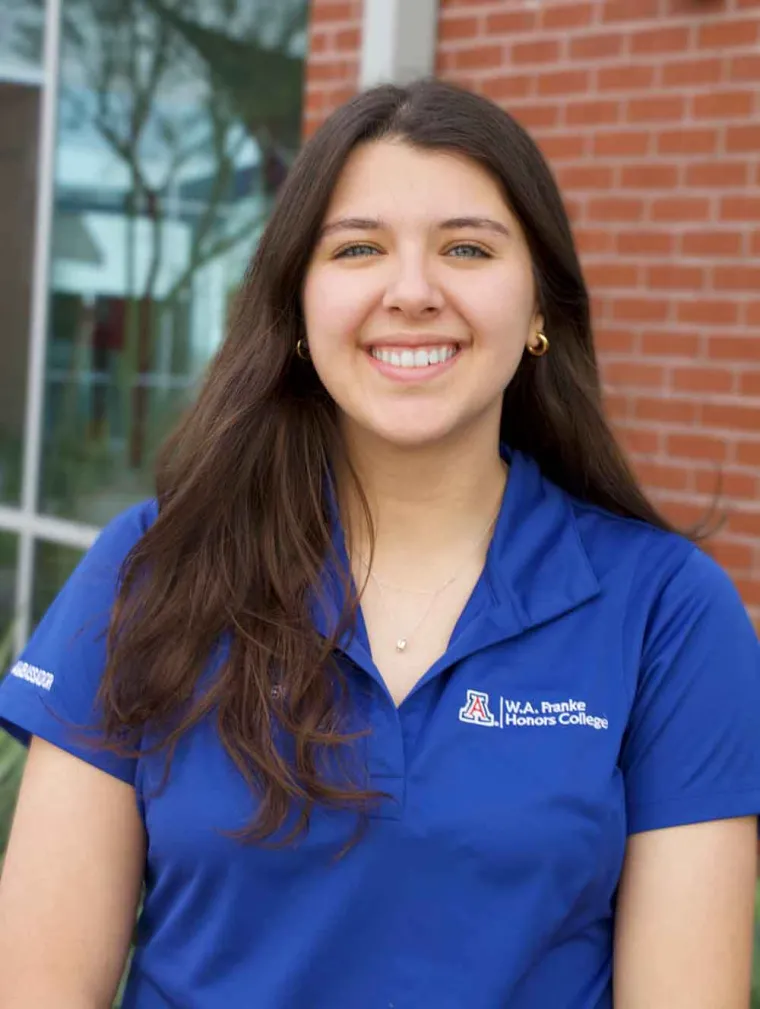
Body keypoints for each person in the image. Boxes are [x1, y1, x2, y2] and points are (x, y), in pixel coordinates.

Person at [0, 78, 758, 1009]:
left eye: (467, 248)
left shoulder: (669, 613)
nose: (412, 292)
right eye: (358, 248)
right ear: (298, 312)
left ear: (538, 312)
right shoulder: (151, 569)